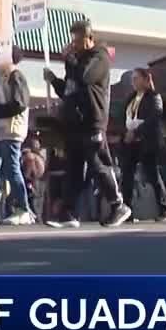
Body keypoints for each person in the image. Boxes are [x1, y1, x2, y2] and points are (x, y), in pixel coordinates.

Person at [43, 19, 131, 228]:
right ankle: (68, 213)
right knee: (73, 169)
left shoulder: (99, 57)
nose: (74, 44)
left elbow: (85, 76)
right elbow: (70, 89)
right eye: (72, 39)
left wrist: (71, 59)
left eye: (78, 40)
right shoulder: (76, 60)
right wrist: (55, 80)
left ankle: (118, 204)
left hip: (93, 120)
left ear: (89, 39)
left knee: (98, 163)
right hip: (75, 123)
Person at [0, 47, 33, 226]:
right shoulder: (1, 80)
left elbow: (19, 103)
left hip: (11, 130)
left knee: (12, 169)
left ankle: (23, 209)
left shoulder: (16, 76)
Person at [121, 68, 166, 222]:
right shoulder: (130, 98)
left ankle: (165, 208)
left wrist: (136, 131)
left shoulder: (154, 97)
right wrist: (125, 133)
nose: (134, 82)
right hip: (131, 143)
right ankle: (126, 210)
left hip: (147, 141)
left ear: (145, 79)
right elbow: (123, 116)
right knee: (127, 176)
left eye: (137, 78)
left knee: (152, 174)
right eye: (132, 79)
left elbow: (155, 116)